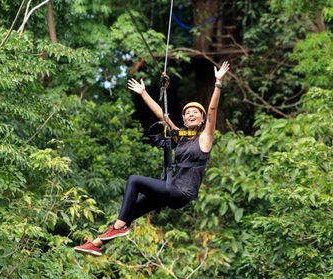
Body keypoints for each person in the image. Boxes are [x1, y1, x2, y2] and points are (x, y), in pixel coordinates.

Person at [74, 61, 230, 256]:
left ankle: (119, 226)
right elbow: (161, 115)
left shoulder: (205, 139)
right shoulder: (180, 137)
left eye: (195, 113)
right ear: (184, 120)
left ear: (201, 119)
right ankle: (96, 244)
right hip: (170, 189)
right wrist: (143, 93)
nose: (190, 114)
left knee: (134, 180)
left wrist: (217, 83)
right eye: (187, 113)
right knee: (131, 212)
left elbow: (213, 111)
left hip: (181, 191)